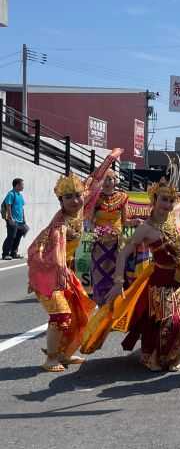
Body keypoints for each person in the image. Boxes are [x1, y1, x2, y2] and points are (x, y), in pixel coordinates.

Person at [116, 166, 180, 372]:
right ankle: (160, 355)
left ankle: (177, 355)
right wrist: (118, 282)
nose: (168, 204)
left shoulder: (176, 213)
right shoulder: (145, 228)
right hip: (162, 282)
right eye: (163, 200)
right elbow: (123, 253)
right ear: (154, 201)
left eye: (171, 200)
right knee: (172, 321)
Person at [28, 150, 120, 372]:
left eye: (77, 196)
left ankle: (64, 353)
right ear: (60, 201)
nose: (75, 200)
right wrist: (60, 275)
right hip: (50, 273)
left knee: (80, 310)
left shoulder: (78, 210)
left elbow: (95, 180)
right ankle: (51, 358)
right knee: (60, 314)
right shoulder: (60, 224)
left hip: (64, 272)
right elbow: (58, 253)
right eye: (68, 197)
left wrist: (110, 159)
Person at [87, 171, 142, 306]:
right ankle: (101, 306)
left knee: (115, 276)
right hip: (99, 243)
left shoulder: (123, 197)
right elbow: (89, 220)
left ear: (115, 181)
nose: (107, 182)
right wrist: (93, 232)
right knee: (99, 275)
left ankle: (114, 306)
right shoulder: (95, 198)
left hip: (117, 243)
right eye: (105, 179)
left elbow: (125, 221)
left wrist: (136, 221)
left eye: (111, 179)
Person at [2, 178, 27, 260]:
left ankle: (14, 253)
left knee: (18, 236)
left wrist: (24, 219)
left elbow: (22, 208)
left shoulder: (20, 195)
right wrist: (10, 218)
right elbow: (8, 205)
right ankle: (5, 254)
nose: (23, 186)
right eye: (22, 185)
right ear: (17, 185)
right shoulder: (11, 194)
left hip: (20, 221)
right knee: (11, 236)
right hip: (13, 220)